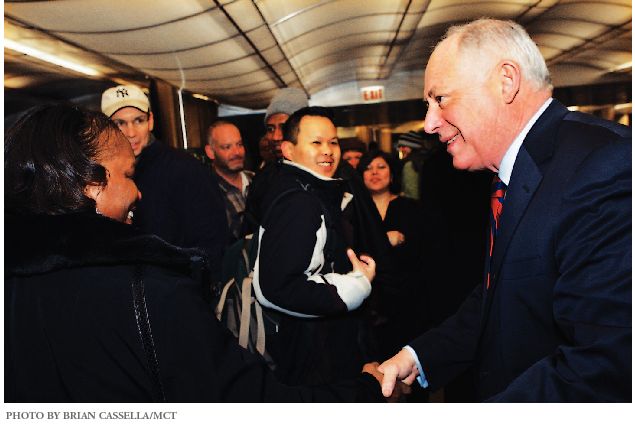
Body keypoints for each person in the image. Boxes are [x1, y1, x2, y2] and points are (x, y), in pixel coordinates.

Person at [4, 103, 392, 402]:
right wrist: (364, 389)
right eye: (129, 175)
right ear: (91, 185)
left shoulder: (14, 285)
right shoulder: (151, 293)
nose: (139, 192)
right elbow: (249, 402)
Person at [378, 18, 631, 402]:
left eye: (440, 99)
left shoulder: (604, 167)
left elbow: (605, 366)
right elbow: (503, 294)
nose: (429, 124)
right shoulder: (523, 170)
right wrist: (419, 357)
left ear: (506, 81)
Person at [251, 106, 376, 385]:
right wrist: (355, 286)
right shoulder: (299, 202)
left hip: (316, 346)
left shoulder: (311, 191)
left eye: (333, 142)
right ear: (288, 150)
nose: (328, 151)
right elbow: (277, 287)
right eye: (316, 142)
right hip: (313, 355)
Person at [101, 84, 227, 283]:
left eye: (138, 120)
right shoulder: (103, 177)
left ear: (150, 121)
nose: (131, 132)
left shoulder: (185, 169)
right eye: (120, 123)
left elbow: (211, 241)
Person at [205, 120, 254, 243]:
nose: (237, 152)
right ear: (210, 152)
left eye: (239, 144)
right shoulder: (206, 190)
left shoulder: (258, 181)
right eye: (227, 147)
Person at [395, 130, 426, 200]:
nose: (400, 149)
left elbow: (412, 194)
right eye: (399, 146)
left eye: (403, 146)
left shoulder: (409, 165)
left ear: (413, 147)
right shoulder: (423, 160)